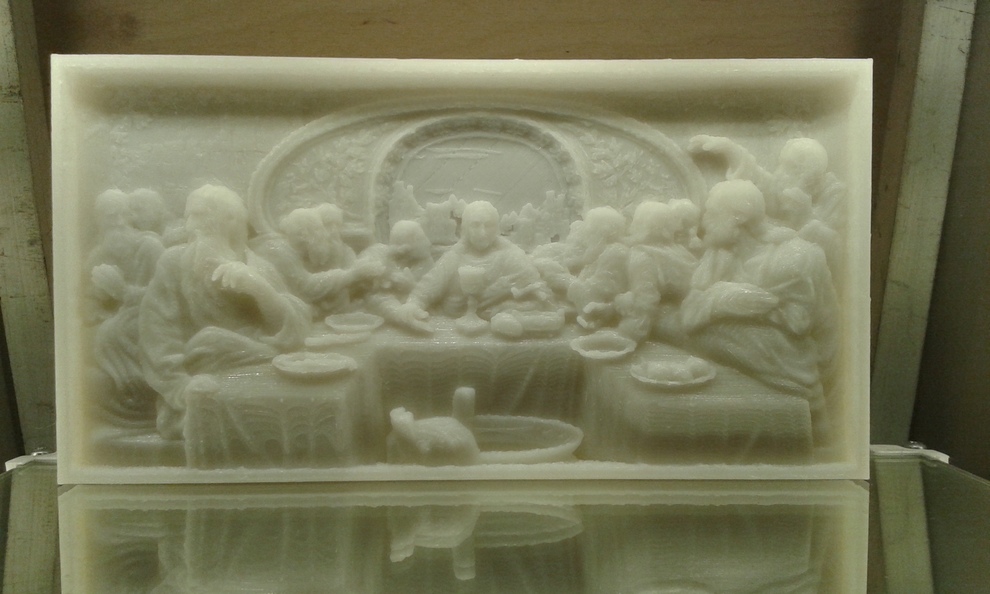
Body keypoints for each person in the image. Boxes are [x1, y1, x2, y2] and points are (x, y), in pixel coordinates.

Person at [139, 184, 311, 439]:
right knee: (210, 344)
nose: (190, 225)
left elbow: (294, 333)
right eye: (188, 216)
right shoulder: (174, 263)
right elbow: (157, 332)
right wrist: (182, 387)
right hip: (196, 384)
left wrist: (260, 289)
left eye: (199, 215)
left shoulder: (260, 268)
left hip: (261, 377)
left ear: (230, 220)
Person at [680, 180, 838, 444]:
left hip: (798, 384)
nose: (704, 222)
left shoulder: (794, 257)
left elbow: (798, 326)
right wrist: (722, 298)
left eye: (711, 213)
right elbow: (688, 317)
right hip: (743, 382)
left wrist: (717, 310)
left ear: (739, 217)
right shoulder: (720, 254)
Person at [396, 200, 554, 336]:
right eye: (475, 225)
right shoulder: (455, 256)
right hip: (453, 329)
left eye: (489, 225)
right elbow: (428, 286)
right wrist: (413, 304)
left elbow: (541, 291)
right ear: (465, 228)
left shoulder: (510, 255)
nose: (482, 232)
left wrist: (510, 297)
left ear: (496, 228)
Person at [253, 203, 384, 315]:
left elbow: (354, 277)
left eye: (337, 225)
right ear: (304, 234)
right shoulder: (280, 252)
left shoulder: (342, 251)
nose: (332, 232)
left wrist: (362, 274)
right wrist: (351, 274)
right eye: (327, 226)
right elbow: (306, 287)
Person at [615, 200, 699, 341]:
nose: (678, 227)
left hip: (686, 317)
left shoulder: (643, 255)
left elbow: (645, 303)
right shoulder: (678, 249)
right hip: (695, 307)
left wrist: (626, 331)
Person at [361, 220, 435, 332]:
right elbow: (371, 295)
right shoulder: (377, 255)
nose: (428, 243)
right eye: (421, 239)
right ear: (405, 248)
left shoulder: (426, 263)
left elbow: (430, 294)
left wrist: (412, 287)